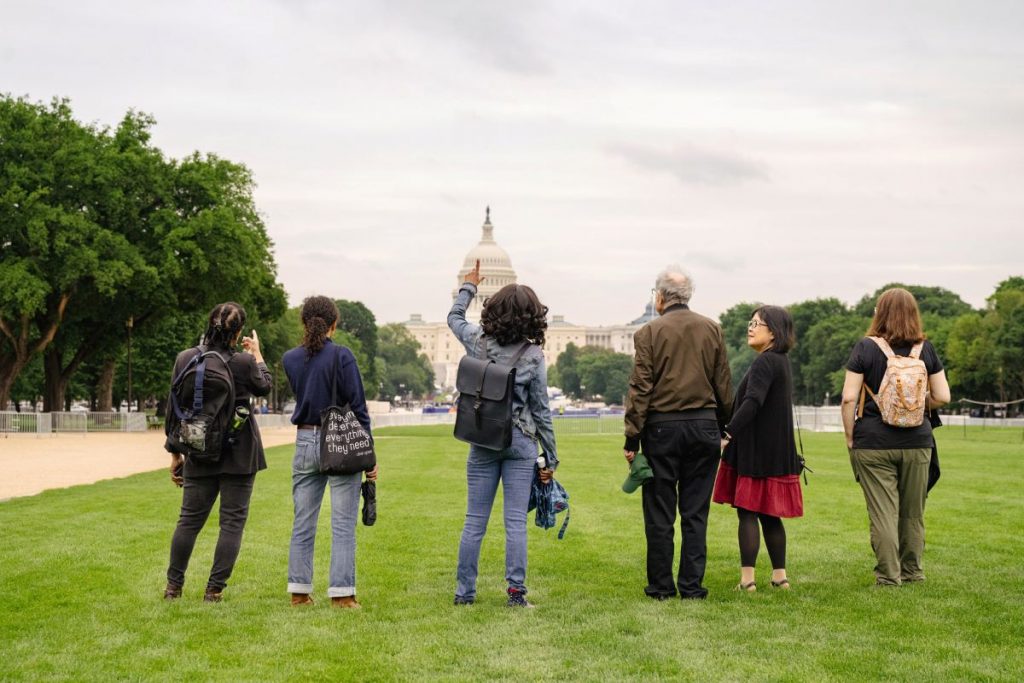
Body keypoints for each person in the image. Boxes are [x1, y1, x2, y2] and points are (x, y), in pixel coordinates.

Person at [449, 260, 558, 608]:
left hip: (483, 437)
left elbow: (454, 318)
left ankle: (464, 593)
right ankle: (515, 594)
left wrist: (469, 286)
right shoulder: (534, 355)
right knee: (515, 524)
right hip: (521, 441)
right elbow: (541, 410)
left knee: (474, 522)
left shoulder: (477, 342)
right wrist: (551, 457)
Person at [624, 265, 733, 600]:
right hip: (703, 427)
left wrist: (632, 437)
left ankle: (660, 586)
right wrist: (725, 425)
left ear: (659, 298)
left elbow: (641, 388)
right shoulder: (712, 329)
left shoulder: (649, 333)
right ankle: (691, 585)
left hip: (661, 429)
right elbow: (723, 384)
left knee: (659, 512)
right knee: (695, 511)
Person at [840, 287, 950, 586]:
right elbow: (943, 395)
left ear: (880, 313)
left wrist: (850, 437)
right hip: (917, 442)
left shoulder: (865, 348)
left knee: (883, 513)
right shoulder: (925, 349)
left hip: (873, 443)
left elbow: (849, 398)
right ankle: (913, 572)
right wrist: (914, 402)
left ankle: (889, 576)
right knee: (912, 513)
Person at [164, 302, 272, 602]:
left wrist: (175, 454)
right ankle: (214, 590)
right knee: (232, 524)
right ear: (238, 333)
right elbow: (265, 386)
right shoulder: (243, 363)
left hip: (198, 449)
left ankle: (173, 587)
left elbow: (173, 410)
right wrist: (258, 354)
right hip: (239, 452)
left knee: (188, 521)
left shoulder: (186, 358)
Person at [282, 296, 378, 608]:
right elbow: (359, 408)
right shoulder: (342, 356)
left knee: (303, 522)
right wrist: (369, 454)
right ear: (333, 324)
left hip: (306, 439)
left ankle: (299, 591)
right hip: (340, 440)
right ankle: (342, 594)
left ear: (303, 323)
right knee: (342, 524)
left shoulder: (291, 359)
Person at [712, 306, 803, 592]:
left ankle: (747, 579)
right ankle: (779, 576)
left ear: (773, 331)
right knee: (769, 513)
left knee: (748, 512)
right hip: (776, 451)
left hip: (756, 450)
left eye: (757, 323)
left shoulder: (765, 363)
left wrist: (727, 434)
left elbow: (753, 401)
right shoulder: (781, 362)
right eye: (750, 322)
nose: (750, 327)